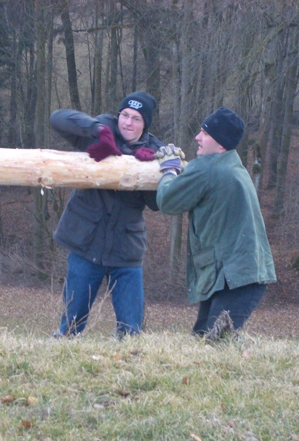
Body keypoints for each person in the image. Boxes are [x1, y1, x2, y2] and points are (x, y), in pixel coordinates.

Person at [49, 91, 163, 338]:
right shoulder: (102, 128)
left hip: (126, 251)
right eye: (124, 115)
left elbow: (158, 204)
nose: (127, 123)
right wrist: (97, 129)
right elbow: (57, 119)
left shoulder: (156, 149)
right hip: (85, 244)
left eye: (136, 119)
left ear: (145, 125)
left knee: (132, 331)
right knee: (70, 327)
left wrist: (150, 171)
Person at [155, 107, 277, 338]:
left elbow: (167, 201)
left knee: (215, 346)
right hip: (237, 276)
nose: (197, 137)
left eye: (205, 133)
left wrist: (169, 169)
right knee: (203, 338)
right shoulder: (233, 166)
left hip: (236, 279)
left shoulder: (209, 168)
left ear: (220, 144)